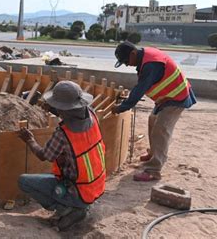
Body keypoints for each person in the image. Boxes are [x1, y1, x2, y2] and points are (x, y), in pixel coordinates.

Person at [18, 81, 106, 231]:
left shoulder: (63, 134)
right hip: (95, 187)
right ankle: (76, 206)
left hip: (76, 191)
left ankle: (66, 208)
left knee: (24, 181)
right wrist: (54, 109)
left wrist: (30, 140)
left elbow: (43, 155)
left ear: (64, 109)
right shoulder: (92, 114)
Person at [112, 41, 196, 181]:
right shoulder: (145, 57)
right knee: (152, 120)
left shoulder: (151, 64)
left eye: (126, 61)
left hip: (176, 97)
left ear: (133, 53)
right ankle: (153, 153)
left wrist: (122, 107)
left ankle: (153, 170)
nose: (127, 65)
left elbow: (140, 89)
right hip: (166, 97)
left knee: (161, 129)